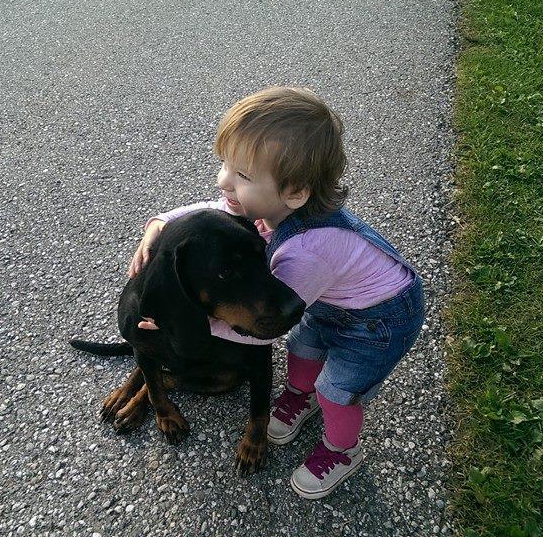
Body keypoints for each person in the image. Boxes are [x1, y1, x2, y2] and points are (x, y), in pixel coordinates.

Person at [129, 87, 425, 499]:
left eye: (242, 176)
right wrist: (159, 223)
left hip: (379, 321)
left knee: (337, 389)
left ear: (296, 193)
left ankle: (342, 449)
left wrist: (189, 324)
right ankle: (298, 398)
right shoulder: (270, 204)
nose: (225, 182)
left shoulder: (303, 254)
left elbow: (265, 330)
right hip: (330, 301)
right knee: (305, 345)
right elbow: (211, 212)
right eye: (225, 165)